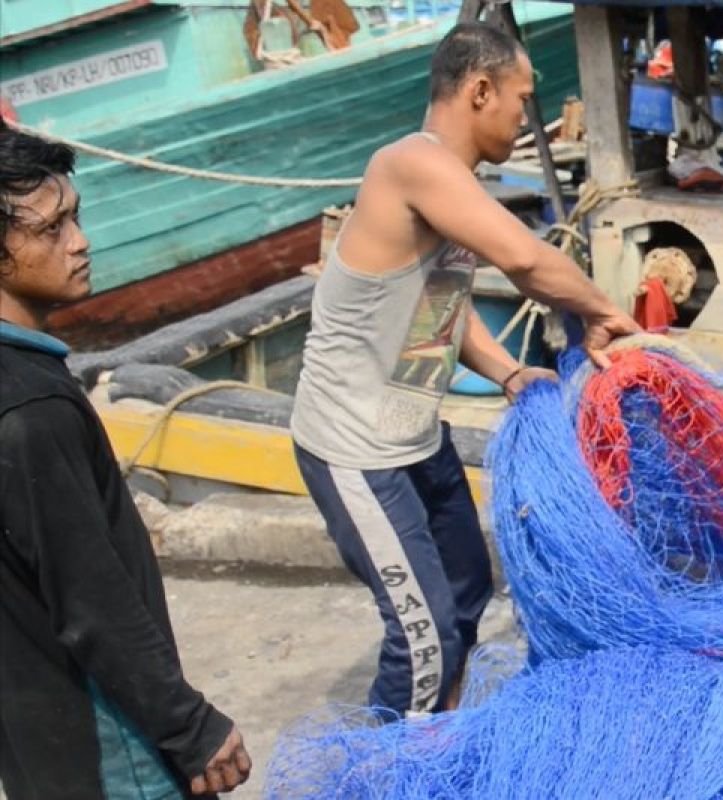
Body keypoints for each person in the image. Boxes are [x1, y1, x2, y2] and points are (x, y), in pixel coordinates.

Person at [290, 23, 639, 718]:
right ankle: (391, 776)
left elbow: (437, 312)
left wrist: (511, 373)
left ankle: (440, 735)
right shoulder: (409, 165)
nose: (525, 115)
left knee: (467, 592)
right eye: (521, 98)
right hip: (355, 450)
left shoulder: (450, 186)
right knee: (423, 641)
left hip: (413, 432)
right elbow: (528, 261)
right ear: (481, 90)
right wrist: (602, 311)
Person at [0, 126, 251, 798]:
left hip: (39, 747)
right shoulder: (29, 410)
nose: (79, 241)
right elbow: (91, 599)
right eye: (51, 228)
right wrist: (188, 726)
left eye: (76, 216)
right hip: (113, 753)